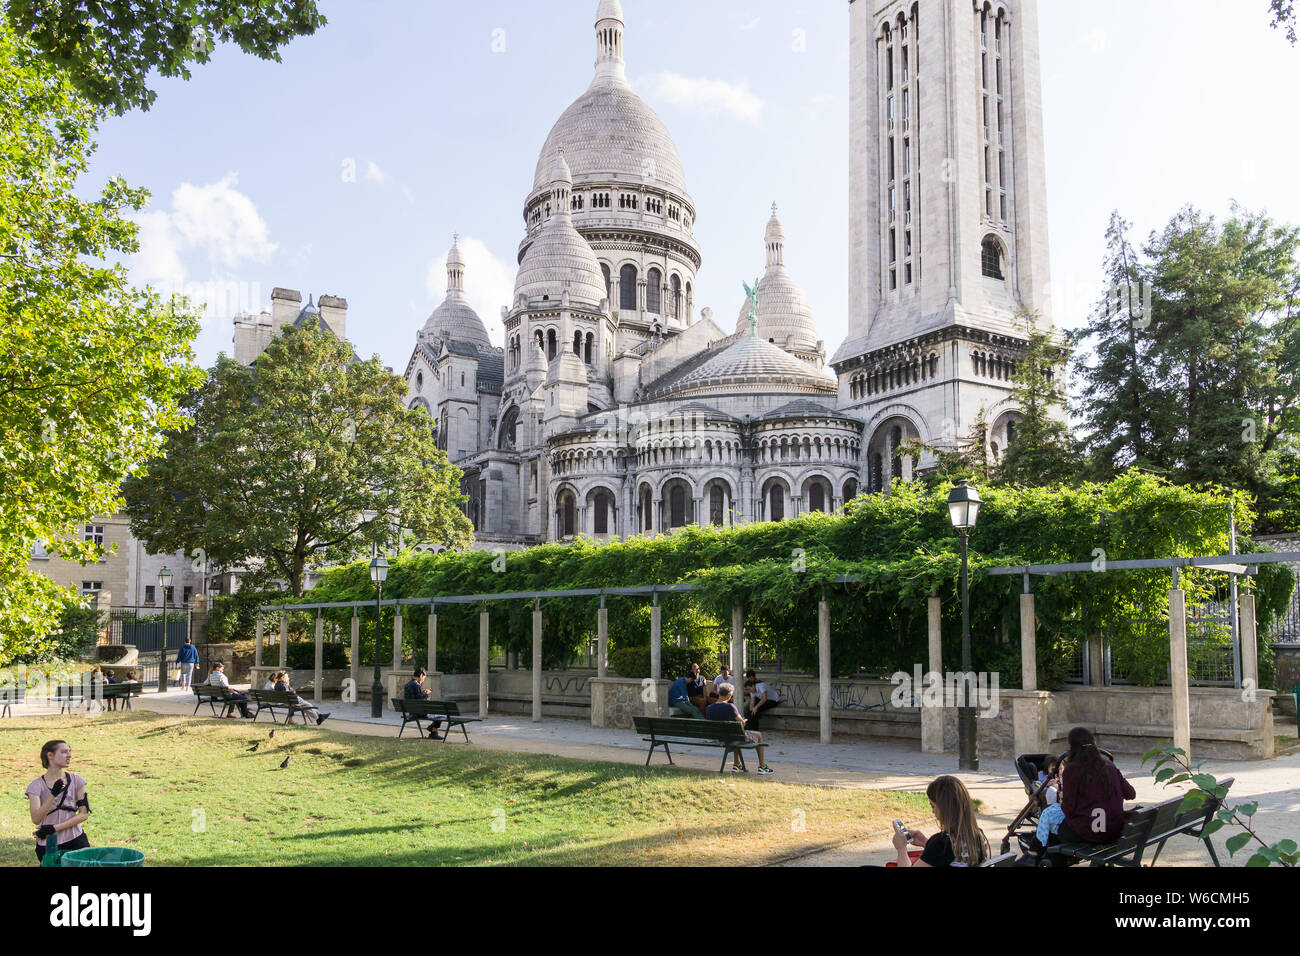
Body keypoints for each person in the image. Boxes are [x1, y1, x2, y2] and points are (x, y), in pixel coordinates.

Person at [1056, 727, 1136, 849]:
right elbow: (1130, 793)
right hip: (1114, 829)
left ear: (1071, 747)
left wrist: (1062, 799)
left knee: (1058, 830)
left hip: (1090, 831)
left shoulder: (1072, 770)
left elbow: (1069, 810)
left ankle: (1039, 857)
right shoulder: (1109, 765)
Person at [892, 775, 990, 867]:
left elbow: (942, 852)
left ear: (944, 809)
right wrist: (926, 843)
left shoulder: (941, 843)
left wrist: (901, 849)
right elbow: (948, 855)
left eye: (933, 806)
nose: (933, 811)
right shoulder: (978, 835)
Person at [27, 740, 91, 862]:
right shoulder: (35, 786)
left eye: (69, 751)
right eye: (64, 752)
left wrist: (55, 828)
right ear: (50, 755)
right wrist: (52, 795)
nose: (69, 755)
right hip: (49, 843)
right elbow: (36, 819)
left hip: (76, 838)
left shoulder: (77, 780)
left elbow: (83, 814)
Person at [706, 683, 773, 774]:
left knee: (735, 734)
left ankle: (737, 765)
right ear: (729, 696)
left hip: (718, 739)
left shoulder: (709, 708)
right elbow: (742, 723)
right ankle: (762, 767)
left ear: (719, 693)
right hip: (730, 738)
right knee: (758, 735)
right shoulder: (730, 707)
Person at [404, 667, 443, 740]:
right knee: (440, 713)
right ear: (421, 675)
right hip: (419, 712)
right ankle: (433, 731)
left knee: (437, 712)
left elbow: (415, 698)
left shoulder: (408, 685)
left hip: (411, 712)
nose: (423, 680)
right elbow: (421, 700)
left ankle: (433, 730)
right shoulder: (417, 685)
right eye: (424, 678)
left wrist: (422, 693)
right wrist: (427, 694)